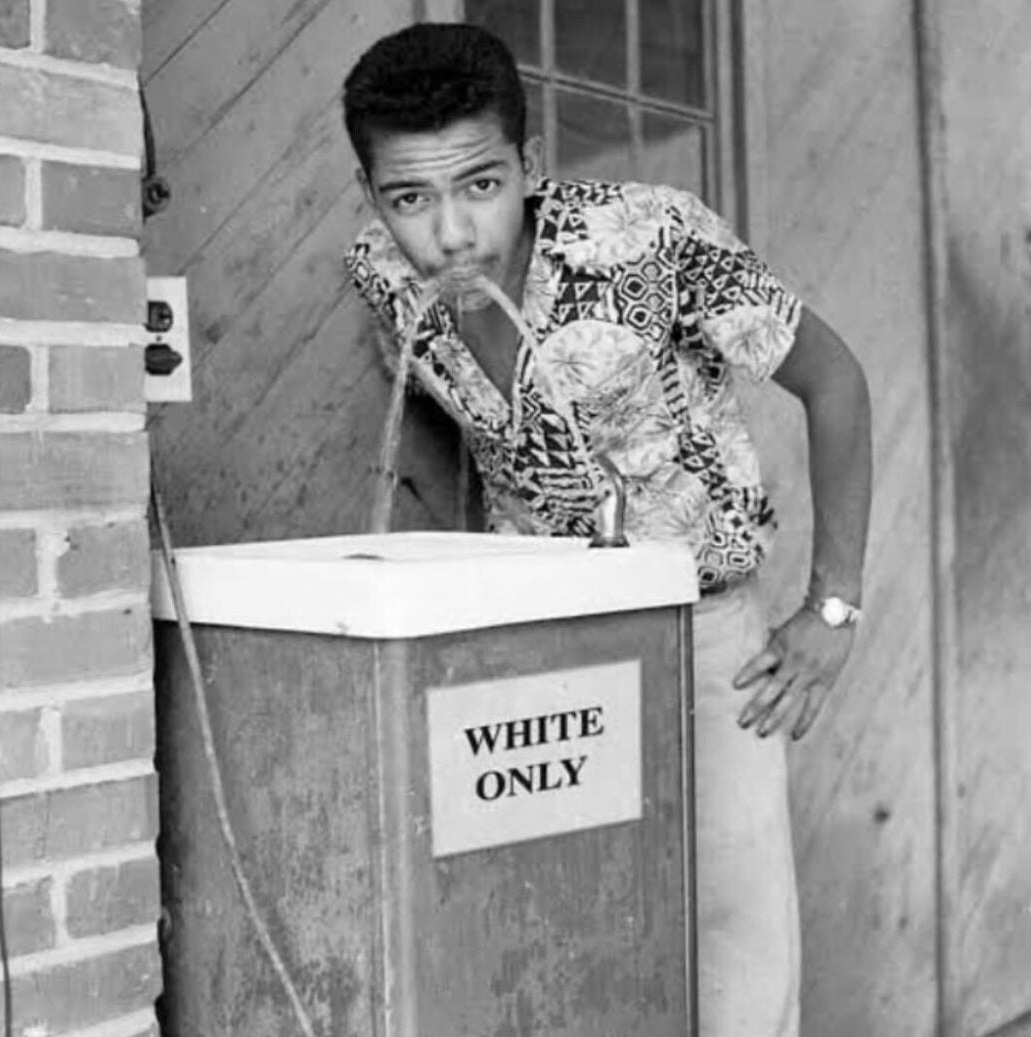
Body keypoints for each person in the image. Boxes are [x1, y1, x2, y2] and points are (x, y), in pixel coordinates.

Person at [341, 21, 872, 1037]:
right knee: (555, 921)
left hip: (704, 630)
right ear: (375, 199)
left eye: (481, 185)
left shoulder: (650, 234)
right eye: (412, 198)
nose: (451, 233)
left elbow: (835, 381)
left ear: (530, 166)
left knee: (733, 932)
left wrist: (833, 605)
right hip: (532, 640)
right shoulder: (384, 275)